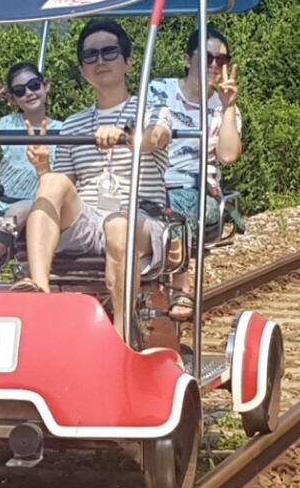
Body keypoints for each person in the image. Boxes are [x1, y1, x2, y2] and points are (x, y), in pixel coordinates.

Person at [18, 19, 172, 341]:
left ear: (128, 62)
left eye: (109, 52)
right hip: (89, 217)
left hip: (140, 216)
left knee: (118, 226)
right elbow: (62, 189)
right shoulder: (73, 125)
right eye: (91, 55)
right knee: (52, 182)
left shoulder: (153, 111)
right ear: (83, 69)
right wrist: (43, 168)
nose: (100, 60)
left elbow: (156, 137)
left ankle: (121, 336)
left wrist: (127, 137)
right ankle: (39, 292)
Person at [147, 25, 243, 320]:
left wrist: (228, 107)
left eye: (222, 60)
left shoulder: (224, 108)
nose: (215, 65)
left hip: (197, 190)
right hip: (150, 181)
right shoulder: (158, 91)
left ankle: (181, 285)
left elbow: (228, 155)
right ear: (187, 59)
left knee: (175, 206)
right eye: (207, 58)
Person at [0, 62, 63, 224]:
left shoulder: (63, 130)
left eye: (34, 85)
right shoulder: (7, 124)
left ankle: (0, 238)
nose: (29, 93)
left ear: (46, 86)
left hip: (44, 205)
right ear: (13, 99)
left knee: (20, 211)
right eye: (20, 91)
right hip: (2, 206)